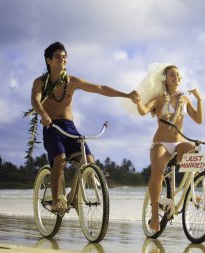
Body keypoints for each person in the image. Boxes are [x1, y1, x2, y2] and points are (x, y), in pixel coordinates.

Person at [30, 42, 140, 212]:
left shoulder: (72, 81)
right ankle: (56, 200)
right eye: (58, 56)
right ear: (49, 60)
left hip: (69, 127)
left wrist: (127, 95)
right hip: (52, 128)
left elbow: (101, 88)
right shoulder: (40, 82)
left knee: (88, 161)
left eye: (64, 57)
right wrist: (43, 115)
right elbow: (35, 100)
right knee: (59, 159)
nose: (62, 60)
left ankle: (72, 196)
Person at [133, 63, 203, 232]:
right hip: (161, 143)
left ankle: (193, 189)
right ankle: (155, 214)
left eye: (178, 75)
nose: (176, 77)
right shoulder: (158, 98)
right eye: (172, 74)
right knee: (157, 173)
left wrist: (199, 99)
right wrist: (138, 102)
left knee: (195, 151)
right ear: (165, 78)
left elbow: (199, 120)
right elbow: (143, 111)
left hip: (180, 142)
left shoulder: (184, 98)